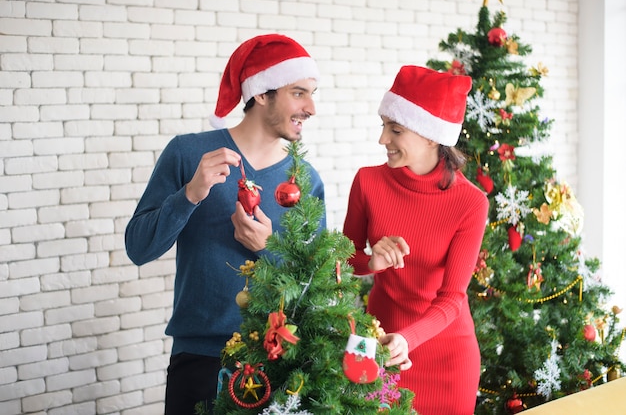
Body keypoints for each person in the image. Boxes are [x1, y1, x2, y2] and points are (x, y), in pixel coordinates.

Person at [125, 34, 326, 415]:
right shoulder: (188, 154)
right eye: (299, 93)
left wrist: (268, 248)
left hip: (280, 363)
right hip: (199, 361)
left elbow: (318, 291)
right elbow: (139, 248)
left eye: (313, 94)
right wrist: (190, 195)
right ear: (262, 93)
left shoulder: (307, 179)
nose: (311, 107)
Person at [342, 65, 488, 415]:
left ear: (430, 136)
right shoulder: (368, 182)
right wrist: (370, 262)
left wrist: (410, 339)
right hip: (379, 348)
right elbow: (341, 262)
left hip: (447, 360)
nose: (382, 140)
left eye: (396, 130)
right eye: (384, 127)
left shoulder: (470, 202)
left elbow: (453, 297)